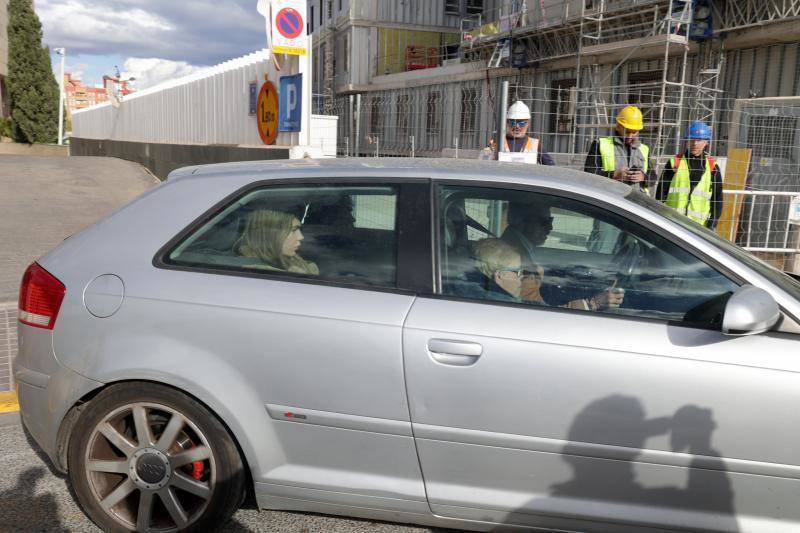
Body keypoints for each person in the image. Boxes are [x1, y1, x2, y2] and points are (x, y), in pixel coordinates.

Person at [501, 200, 624, 311]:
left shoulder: (518, 250)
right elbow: (538, 314)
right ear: (521, 221)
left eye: (551, 221)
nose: (550, 227)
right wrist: (593, 303)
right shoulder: (516, 260)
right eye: (544, 222)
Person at [656, 121, 723, 229]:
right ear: (687, 140)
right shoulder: (674, 163)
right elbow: (660, 194)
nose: (695, 143)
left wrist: (712, 223)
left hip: (699, 227)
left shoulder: (713, 168)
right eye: (692, 139)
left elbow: (718, 199)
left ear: (706, 142)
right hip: (673, 223)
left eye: (699, 139)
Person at [583, 105, 656, 192]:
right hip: (610, 199)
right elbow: (589, 173)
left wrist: (644, 177)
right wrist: (614, 174)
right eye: (627, 131)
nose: (630, 136)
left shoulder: (644, 149)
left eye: (634, 132)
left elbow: (653, 177)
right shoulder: (600, 144)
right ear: (618, 126)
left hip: (637, 201)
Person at [236, 208, 319, 275]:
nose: (301, 237)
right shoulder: (248, 272)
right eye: (294, 230)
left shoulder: (293, 262)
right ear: (270, 235)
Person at [455, 238, 525, 302]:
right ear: (499, 276)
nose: (522, 276)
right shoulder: (502, 306)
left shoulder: (469, 290)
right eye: (518, 272)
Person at [486, 101, 555, 165]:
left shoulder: (535, 145)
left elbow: (551, 168)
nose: (517, 126)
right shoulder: (495, 143)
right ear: (507, 122)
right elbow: (483, 166)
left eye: (521, 123)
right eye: (513, 122)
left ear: (528, 123)